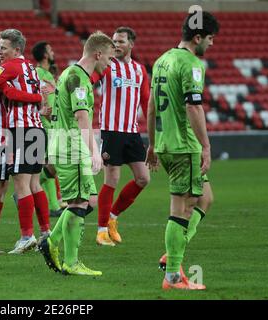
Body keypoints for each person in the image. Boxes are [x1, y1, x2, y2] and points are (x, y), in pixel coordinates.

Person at [145, 11, 219, 290]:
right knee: (182, 208)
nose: (211, 44)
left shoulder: (163, 60)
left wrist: (152, 144)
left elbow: (151, 106)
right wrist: (206, 147)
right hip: (183, 146)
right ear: (198, 37)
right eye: (210, 38)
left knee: (205, 199)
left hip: (165, 144)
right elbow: (193, 106)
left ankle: (172, 255)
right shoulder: (192, 64)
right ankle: (173, 275)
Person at [39, 31, 115, 276]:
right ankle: (69, 261)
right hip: (71, 144)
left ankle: (51, 241)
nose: (110, 63)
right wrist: (94, 152)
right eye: (110, 58)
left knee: (89, 200)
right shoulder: (77, 78)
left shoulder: (71, 74)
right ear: (98, 53)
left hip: (65, 141)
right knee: (79, 202)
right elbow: (81, 116)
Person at [0, 29, 52, 254]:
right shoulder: (31, 69)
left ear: (16, 50)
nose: (1, 51)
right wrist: (38, 99)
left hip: (19, 131)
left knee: (18, 185)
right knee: (33, 183)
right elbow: (40, 98)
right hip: (36, 129)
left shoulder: (5, 68)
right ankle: (46, 233)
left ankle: (26, 236)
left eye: (4, 48)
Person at [92, 27, 151, 246]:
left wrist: (153, 132)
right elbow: (89, 81)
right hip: (111, 131)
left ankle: (112, 219)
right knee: (112, 179)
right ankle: (100, 231)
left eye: (121, 41)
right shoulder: (107, 66)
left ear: (131, 44)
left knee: (143, 178)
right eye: (114, 41)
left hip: (132, 132)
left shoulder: (139, 70)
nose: (116, 45)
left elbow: (146, 101)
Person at [31, 40, 65, 217]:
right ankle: (50, 203)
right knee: (55, 165)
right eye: (50, 50)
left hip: (53, 123)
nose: (53, 52)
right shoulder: (37, 73)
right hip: (45, 124)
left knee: (50, 165)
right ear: (45, 54)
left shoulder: (48, 74)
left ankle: (53, 205)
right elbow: (38, 98)